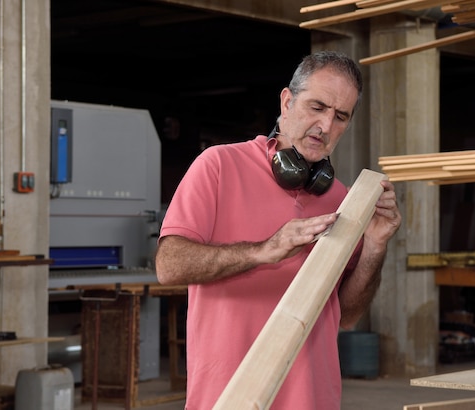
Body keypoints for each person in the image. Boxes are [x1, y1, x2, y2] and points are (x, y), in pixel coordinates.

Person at [155, 50, 401, 409]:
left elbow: (347, 314)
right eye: (317, 107)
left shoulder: (342, 198)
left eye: (340, 116)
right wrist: (265, 250)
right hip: (227, 396)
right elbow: (168, 266)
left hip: (314, 399)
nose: (326, 126)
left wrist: (376, 245)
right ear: (287, 101)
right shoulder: (218, 166)